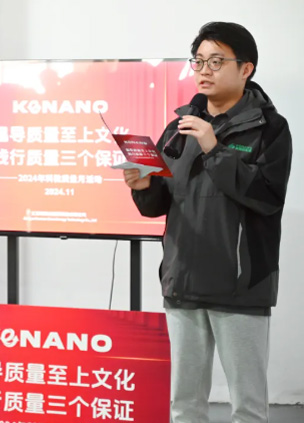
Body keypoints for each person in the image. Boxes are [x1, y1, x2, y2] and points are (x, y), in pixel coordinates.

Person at [123, 22, 292, 423]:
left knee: (248, 407)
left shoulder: (270, 128)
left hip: (240, 285)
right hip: (183, 281)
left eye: (216, 61)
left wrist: (214, 149)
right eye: (198, 61)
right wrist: (144, 186)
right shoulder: (178, 128)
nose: (204, 71)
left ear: (246, 68)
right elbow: (161, 205)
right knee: (185, 406)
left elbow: (267, 198)